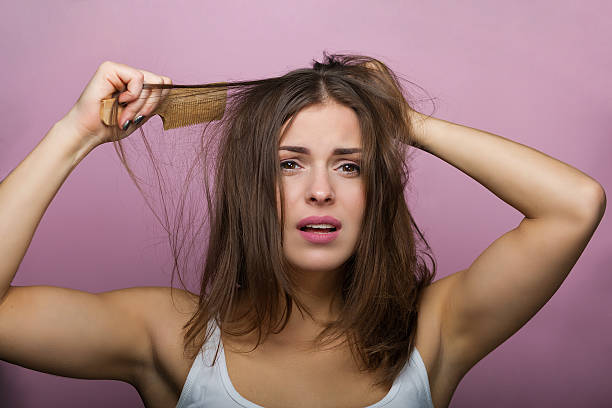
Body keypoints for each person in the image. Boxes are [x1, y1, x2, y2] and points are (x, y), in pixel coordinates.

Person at [0, 54, 605, 408]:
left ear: (377, 192)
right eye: (289, 164)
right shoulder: (168, 335)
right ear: (250, 187)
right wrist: (74, 136)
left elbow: (575, 204)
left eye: (350, 165)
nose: (321, 189)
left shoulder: (435, 329)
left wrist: (407, 121)